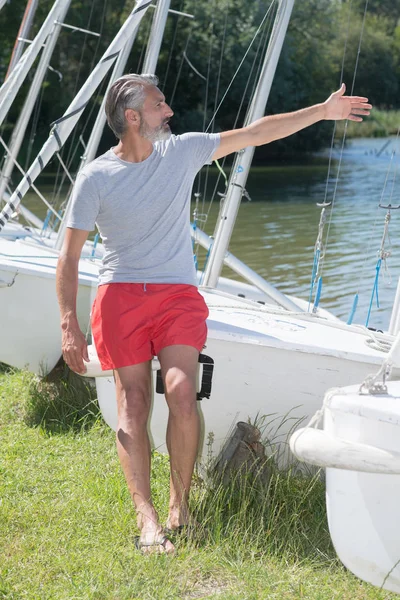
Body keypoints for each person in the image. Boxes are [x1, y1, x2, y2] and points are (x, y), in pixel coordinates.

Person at [56, 74, 371, 554]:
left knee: (183, 393)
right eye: (160, 105)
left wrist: (321, 112)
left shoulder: (180, 151)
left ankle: (180, 507)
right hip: (119, 297)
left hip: (177, 296)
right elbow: (69, 257)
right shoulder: (96, 177)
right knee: (134, 405)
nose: (170, 111)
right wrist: (69, 324)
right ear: (134, 118)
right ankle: (147, 521)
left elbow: (255, 133)